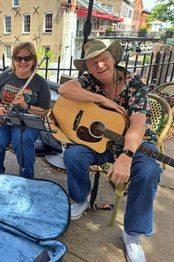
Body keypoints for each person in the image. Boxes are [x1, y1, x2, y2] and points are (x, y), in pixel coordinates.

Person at [58, 40, 162, 262]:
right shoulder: (89, 80)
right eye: (93, 62)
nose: (99, 66)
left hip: (134, 144)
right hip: (101, 143)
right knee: (72, 155)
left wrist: (126, 156)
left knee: (149, 172)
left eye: (103, 59)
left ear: (114, 59)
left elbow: (137, 125)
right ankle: (80, 198)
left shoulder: (135, 83)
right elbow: (64, 89)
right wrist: (101, 99)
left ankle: (133, 234)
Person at [0, 42, 51, 178]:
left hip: (27, 122)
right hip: (4, 117)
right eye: (18, 58)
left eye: (27, 58)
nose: (22, 62)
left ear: (33, 60)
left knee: (23, 141)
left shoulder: (40, 83)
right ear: (13, 59)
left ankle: (27, 179)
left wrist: (25, 105)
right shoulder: (5, 76)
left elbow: (44, 112)